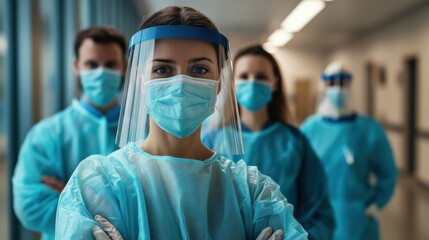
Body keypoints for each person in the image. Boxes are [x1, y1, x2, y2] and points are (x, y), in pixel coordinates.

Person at [55, 6, 308, 240]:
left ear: (219, 83)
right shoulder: (99, 184)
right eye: (163, 70)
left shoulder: (252, 193)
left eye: (199, 70)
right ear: (139, 81)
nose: (181, 83)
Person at [203, 45, 335, 240]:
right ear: (232, 83)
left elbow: (319, 210)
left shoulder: (295, 142)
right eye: (244, 76)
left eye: (261, 76)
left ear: (274, 83)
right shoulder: (212, 141)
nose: (252, 82)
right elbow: (201, 208)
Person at [12, 26, 127, 240]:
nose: (101, 72)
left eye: (110, 65)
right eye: (91, 64)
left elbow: (156, 202)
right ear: (76, 67)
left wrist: (71, 196)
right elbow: (30, 207)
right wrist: (117, 205)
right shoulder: (45, 135)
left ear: (124, 67)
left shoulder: (144, 132)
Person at [300, 62, 398, 240]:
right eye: (332, 83)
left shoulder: (369, 129)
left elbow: (388, 172)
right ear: (324, 86)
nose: (337, 88)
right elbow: (298, 174)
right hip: (317, 218)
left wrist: (375, 202)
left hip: (358, 220)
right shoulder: (309, 129)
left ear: (350, 85)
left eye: (342, 83)